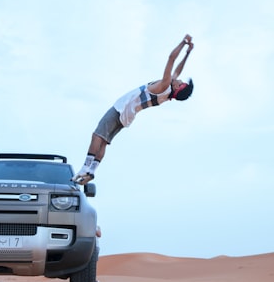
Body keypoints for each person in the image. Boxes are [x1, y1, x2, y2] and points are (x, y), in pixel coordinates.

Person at [73, 34, 194, 184]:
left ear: (177, 87)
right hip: (128, 116)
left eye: (182, 82)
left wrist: (183, 42)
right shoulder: (168, 92)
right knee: (104, 142)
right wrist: (188, 53)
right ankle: (91, 171)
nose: (180, 79)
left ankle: (85, 167)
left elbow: (171, 59)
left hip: (122, 108)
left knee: (97, 135)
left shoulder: (164, 84)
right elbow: (178, 70)